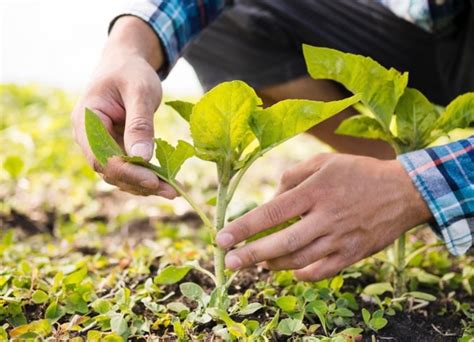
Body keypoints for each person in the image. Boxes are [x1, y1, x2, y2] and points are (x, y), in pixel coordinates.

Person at [71, 0, 473, 281]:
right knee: (230, 24)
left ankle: (405, 187)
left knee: (409, 189)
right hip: (432, 22)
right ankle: (392, 162)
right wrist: (128, 47)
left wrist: (414, 189)